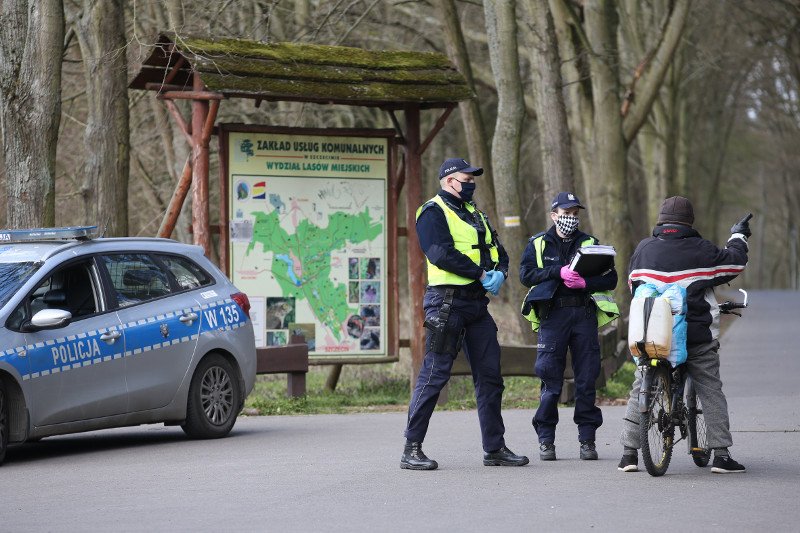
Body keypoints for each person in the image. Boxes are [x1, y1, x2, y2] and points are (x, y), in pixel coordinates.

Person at [400, 157, 529, 470]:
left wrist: (499, 271)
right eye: (465, 178)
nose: (471, 183)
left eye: (473, 179)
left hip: (475, 305)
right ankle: (411, 448)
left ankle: (494, 448)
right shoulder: (432, 211)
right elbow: (439, 253)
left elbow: (497, 248)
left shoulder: (475, 214)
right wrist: (481, 274)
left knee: (490, 377)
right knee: (435, 374)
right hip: (446, 303)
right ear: (448, 181)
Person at [619, 196, 750, 473]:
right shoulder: (701, 250)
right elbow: (734, 264)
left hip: (653, 336)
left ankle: (629, 453)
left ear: (661, 221)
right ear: (689, 222)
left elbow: (633, 283)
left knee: (640, 384)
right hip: (694, 336)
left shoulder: (643, 249)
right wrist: (738, 236)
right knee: (710, 386)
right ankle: (722, 455)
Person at [519, 192, 619, 461]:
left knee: (587, 380)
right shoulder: (538, 244)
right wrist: (557, 272)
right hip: (553, 317)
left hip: (584, 315)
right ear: (554, 215)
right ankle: (546, 440)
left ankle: (587, 440)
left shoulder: (590, 243)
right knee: (550, 380)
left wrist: (586, 284)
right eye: (566, 214)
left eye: (575, 214)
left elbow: (611, 279)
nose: (571, 219)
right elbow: (525, 275)